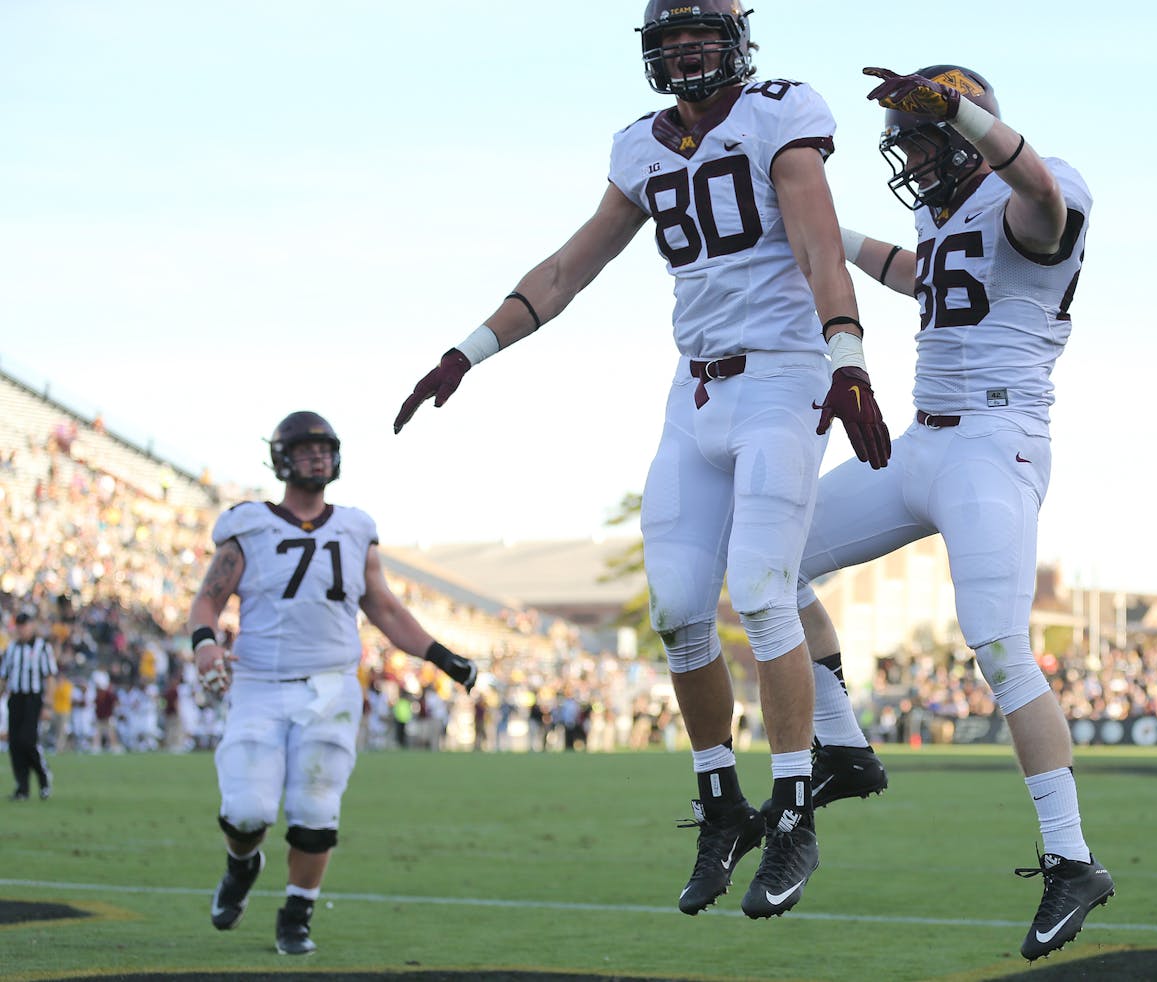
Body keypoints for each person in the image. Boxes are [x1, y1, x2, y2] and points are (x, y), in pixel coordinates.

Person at [392, 0, 891, 920]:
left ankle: (792, 815)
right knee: (675, 608)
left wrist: (849, 358)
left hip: (785, 377)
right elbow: (567, 270)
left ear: (738, 37)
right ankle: (720, 803)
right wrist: (469, 347)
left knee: (762, 587)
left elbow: (822, 247)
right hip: (693, 392)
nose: (687, 52)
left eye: (702, 34)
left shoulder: (782, 111)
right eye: (670, 39)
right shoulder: (638, 147)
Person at [793, 65, 1113, 960]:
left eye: (928, 140)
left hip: (994, 443)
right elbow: (919, 271)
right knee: (769, 559)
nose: (916, 162)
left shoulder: (1042, 192)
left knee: (1001, 646)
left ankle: (1071, 859)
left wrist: (965, 117)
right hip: (921, 442)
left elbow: (1036, 189)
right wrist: (831, 236)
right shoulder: (943, 216)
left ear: (969, 135)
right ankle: (845, 749)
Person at [189, 411, 479, 956]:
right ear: (282, 458)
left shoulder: (355, 527)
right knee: (247, 809)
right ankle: (242, 862)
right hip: (258, 683)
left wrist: (442, 656)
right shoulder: (248, 524)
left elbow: (385, 608)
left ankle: (297, 915)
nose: (318, 456)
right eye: (306, 448)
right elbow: (209, 596)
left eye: (325, 447)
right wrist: (205, 641)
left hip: (330, 686)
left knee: (317, 807)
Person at [1, 606, 57, 801]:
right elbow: (3, 677)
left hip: (32, 698)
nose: (22, 629)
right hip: (15, 698)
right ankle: (22, 787)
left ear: (32, 626)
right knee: (15, 744)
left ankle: (43, 777)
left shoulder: (42, 647)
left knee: (27, 740)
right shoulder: (11, 649)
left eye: (25, 625)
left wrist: (48, 704)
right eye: (19, 626)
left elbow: (50, 677)